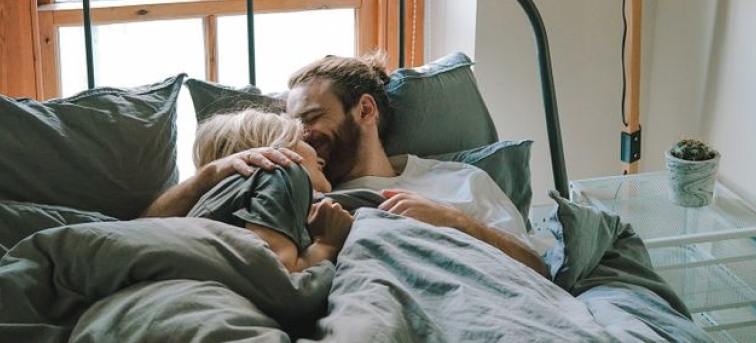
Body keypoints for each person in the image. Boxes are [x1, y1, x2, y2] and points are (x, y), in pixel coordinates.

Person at [143, 52, 547, 278]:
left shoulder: (460, 182)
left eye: (311, 118)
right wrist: (209, 175)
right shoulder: (289, 185)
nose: (300, 134)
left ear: (365, 110)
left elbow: (539, 271)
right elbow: (150, 232)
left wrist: (456, 222)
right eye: (292, 125)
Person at [180, 107, 354, 274]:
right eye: (303, 140)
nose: (321, 159)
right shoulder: (280, 173)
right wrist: (327, 244)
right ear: (274, 147)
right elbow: (279, 276)